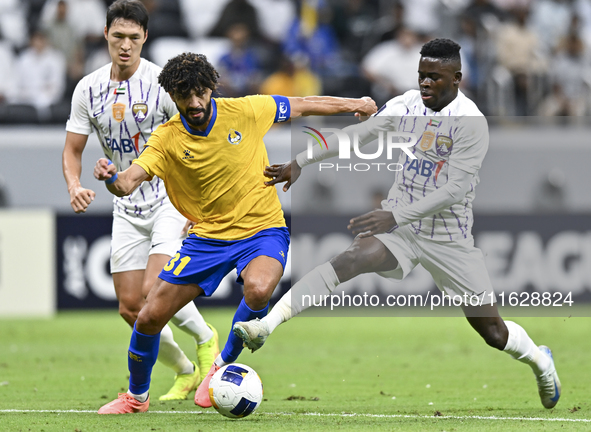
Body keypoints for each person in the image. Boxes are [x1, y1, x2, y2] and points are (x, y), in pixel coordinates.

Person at [233, 38, 561, 410]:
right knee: (354, 257)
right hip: (403, 228)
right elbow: (358, 135)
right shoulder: (406, 104)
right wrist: (303, 160)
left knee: (492, 331)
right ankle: (266, 326)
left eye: (434, 78)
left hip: (448, 237)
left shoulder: (472, 124)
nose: (425, 84)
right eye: (421, 76)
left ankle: (540, 360)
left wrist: (394, 215)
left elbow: (454, 191)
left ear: (457, 78)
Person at [93, 51, 377, 414]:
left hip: (262, 229)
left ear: (212, 88)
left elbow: (302, 104)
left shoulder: (246, 110)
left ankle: (219, 365)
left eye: (200, 92)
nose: (194, 102)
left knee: (259, 290)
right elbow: (129, 181)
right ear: (172, 96)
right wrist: (112, 178)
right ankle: (136, 398)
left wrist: (356, 103)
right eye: (184, 95)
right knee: (148, 316)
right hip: (207, 238)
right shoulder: (166, 139)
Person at [61, 0, 218, 402]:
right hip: (126, 204)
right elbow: (73, 148)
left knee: (153, 290)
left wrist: (195, 205)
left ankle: (206, 339)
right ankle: (184, 370)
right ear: (106, 36)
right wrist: (75, 184)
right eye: (118, 37)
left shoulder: (164, 85)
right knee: (130, 307)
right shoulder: (88, 88)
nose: (126, 45)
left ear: (146, 37)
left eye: (134, 37)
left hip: (169, 198)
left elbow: (197, 142)